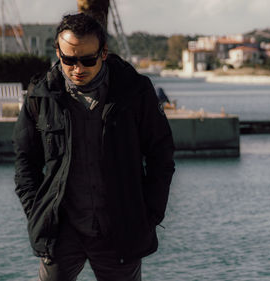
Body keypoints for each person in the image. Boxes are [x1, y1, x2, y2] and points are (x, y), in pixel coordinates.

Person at [13, 13, 175, 281]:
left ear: (103, 52)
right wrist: (37, 213)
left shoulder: (135, 91)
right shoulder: (40, 96)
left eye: (87, 59)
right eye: (69, 60)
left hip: (120, 230)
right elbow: (24, 162)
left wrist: (150, 213)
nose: (78, 68)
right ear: (57, 52)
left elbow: (161, 154)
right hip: (61, 230)